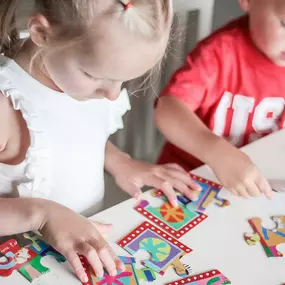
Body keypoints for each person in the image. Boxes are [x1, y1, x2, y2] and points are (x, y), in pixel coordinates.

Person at [0, 0, 201, 282]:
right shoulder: (6, 103)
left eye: (123, 81)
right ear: (42, 34)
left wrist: (121, 162)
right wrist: (41, 215)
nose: (112, 94)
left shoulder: (86, 77)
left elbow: (67, 137)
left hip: (77, 261)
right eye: (96, 76)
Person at [155, 0, 284, 200]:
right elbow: (167, 109)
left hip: (255, 185)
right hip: (189, 180)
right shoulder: (218, 53)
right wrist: (216, 152)